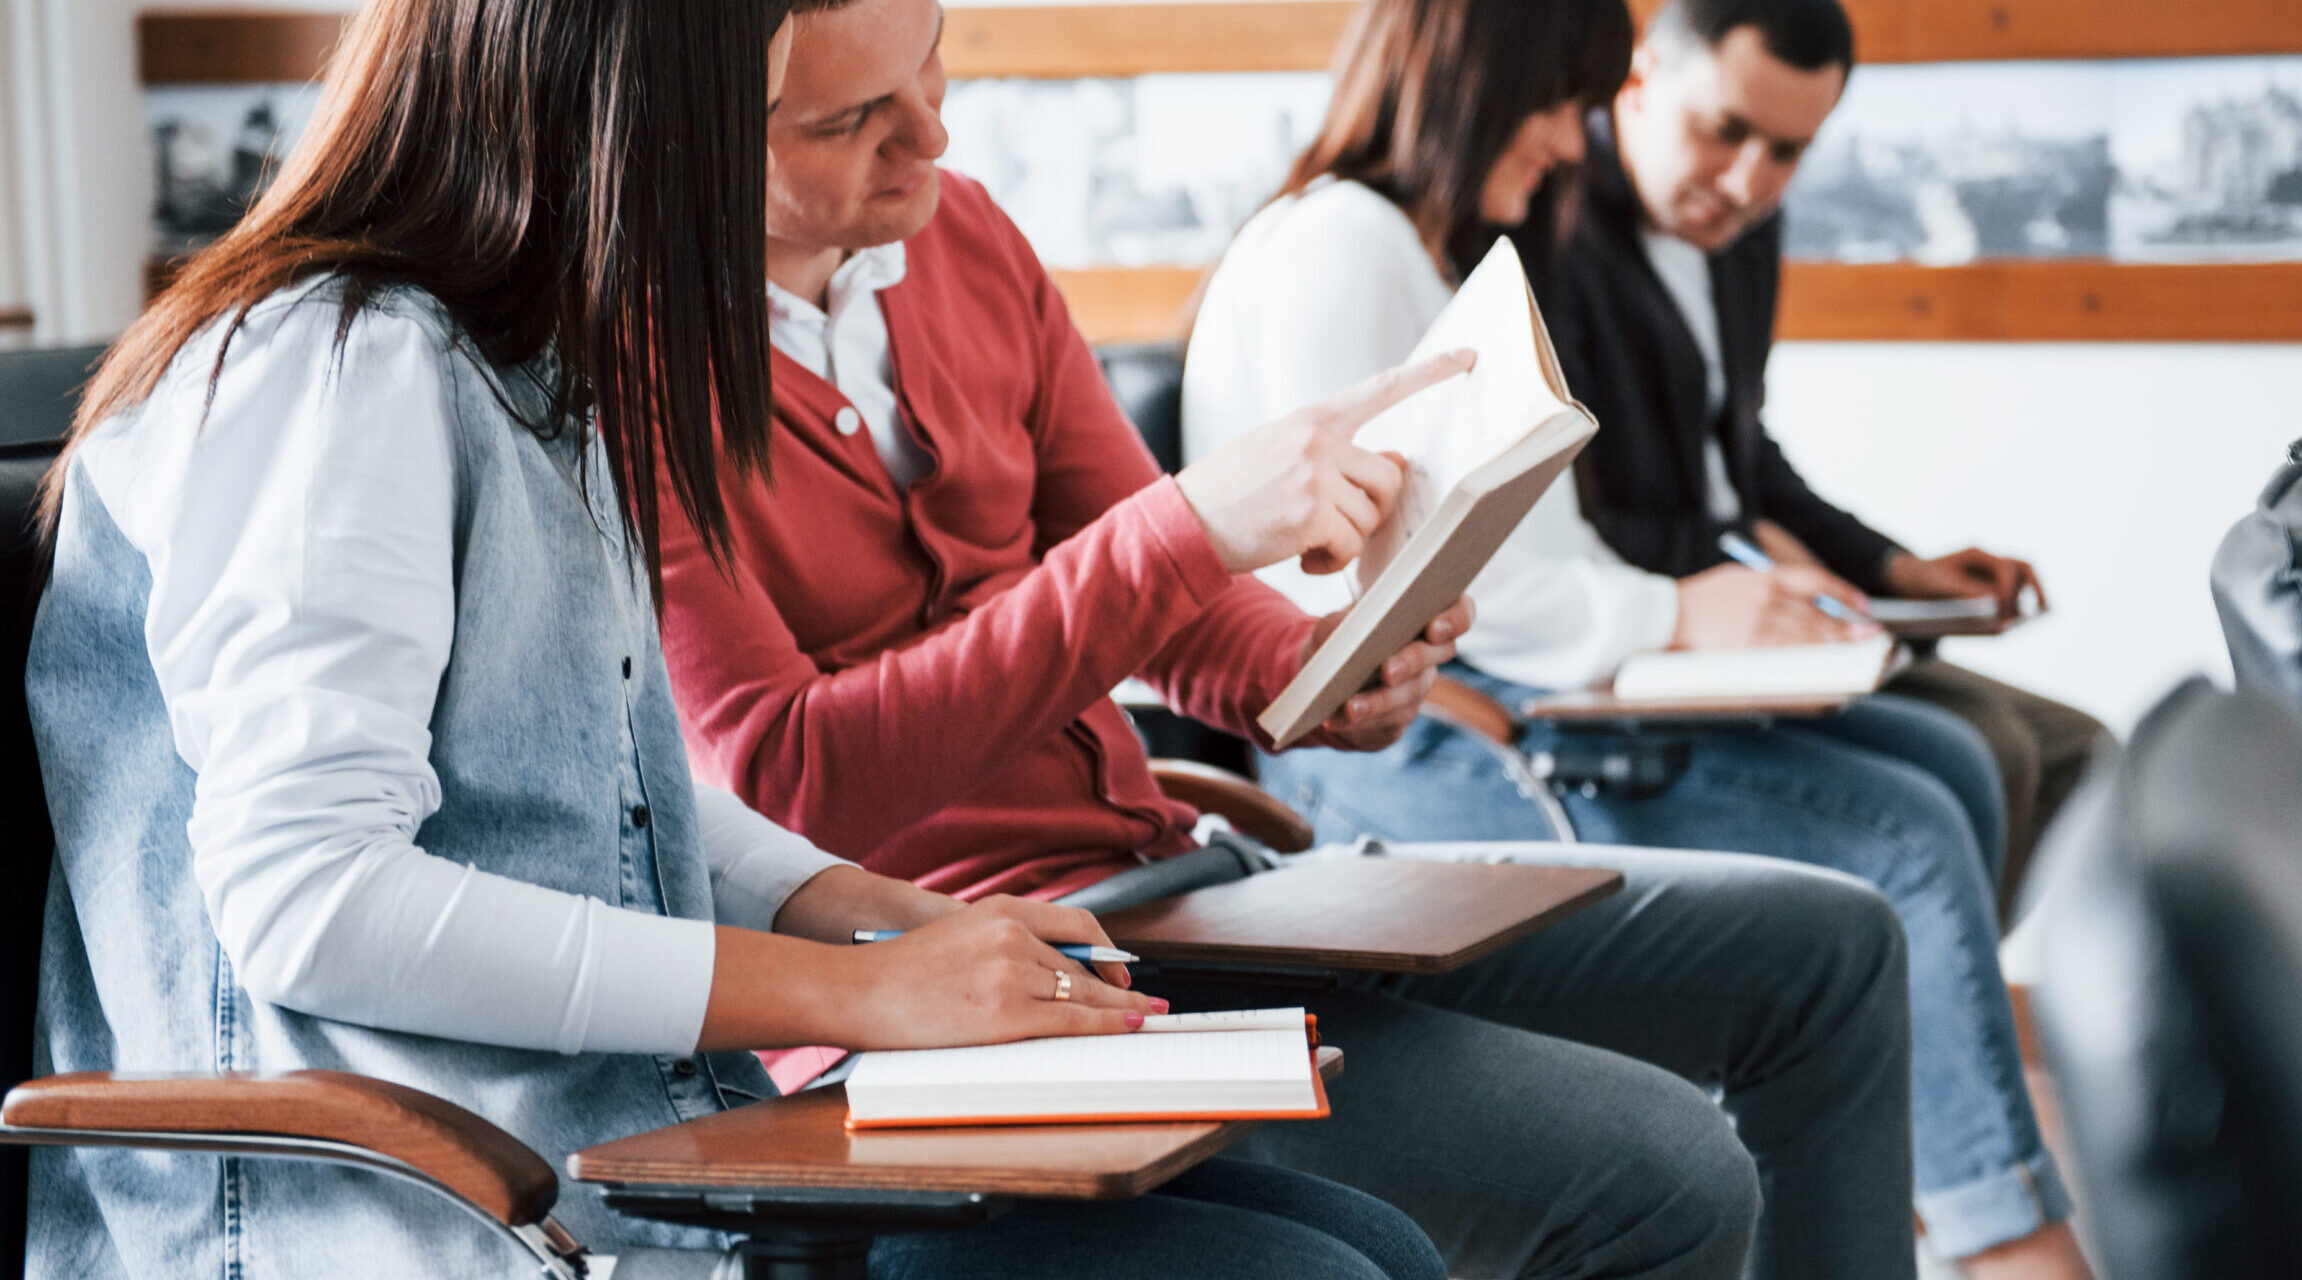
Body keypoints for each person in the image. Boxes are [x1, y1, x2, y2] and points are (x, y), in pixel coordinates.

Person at [22, 5, 1443, 1278]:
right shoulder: (336, 371)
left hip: (608, 1162)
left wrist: (878, 911)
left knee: (1355, 1243)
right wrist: (858, 991)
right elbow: (311, 901)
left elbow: (600, 779)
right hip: (416, 1210)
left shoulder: (526, 365)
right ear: (615, 116)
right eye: (761, 127)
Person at [658, 0, 1922, 1274]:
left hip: (1185, 885)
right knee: (1661, 1167)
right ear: (688, 138)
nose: (930, 133)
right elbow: (784, 779)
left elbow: (1161, 582)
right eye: (849, 120)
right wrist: (1181, 532)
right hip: (977, 967)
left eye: (929, 66)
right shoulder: (625, 358)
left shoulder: (967, 237)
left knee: (1831, 943)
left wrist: (1319, 671)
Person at [1180, 0, 2091, 1273]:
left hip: (1509, 681)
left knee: (1950, 773)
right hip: (1430, 737)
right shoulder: (1341, 246)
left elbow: (1525, 552)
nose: (1569, 138)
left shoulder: (1416, 248)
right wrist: (1671, 612)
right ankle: (2004, 1231)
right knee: (1904, 829)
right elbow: (1360, 595)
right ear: (1476, 83)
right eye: (1559, 100)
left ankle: (1942, 1171)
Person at [1541, 0, 2114, 926]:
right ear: (1639, 81)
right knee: (1993, 753)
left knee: (2078, 748)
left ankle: (1907, 1019)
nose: (1746, 182)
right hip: (1646, 639)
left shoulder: (1744, 231)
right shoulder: (1547, 226)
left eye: (1787, 152)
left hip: (1765, 608)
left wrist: (1894, 567)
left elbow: (1747, 460)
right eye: (1723, 131)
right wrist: (1736, 546)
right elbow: (1569, 519)